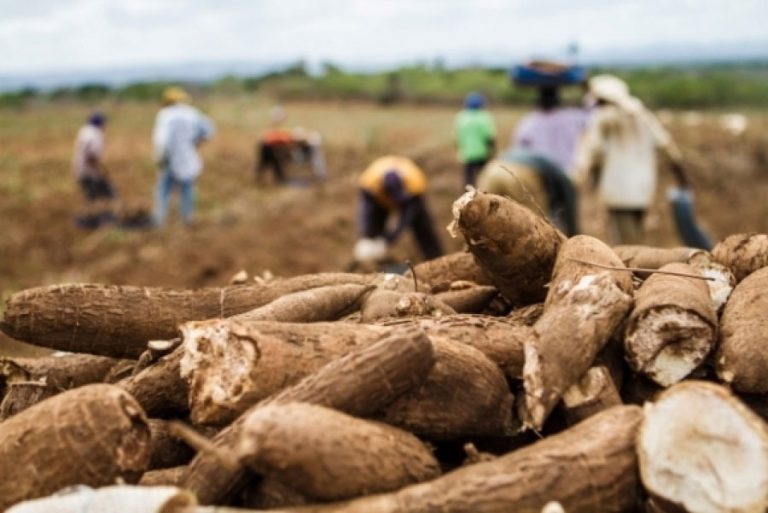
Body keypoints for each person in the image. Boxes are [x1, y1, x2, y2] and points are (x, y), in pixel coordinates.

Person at [574, 74, 689, 245]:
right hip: (643, 187)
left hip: (617, 190)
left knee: (625, 244)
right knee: (637, 235)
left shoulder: (604, 119)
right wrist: (681, 178)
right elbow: (667, 146)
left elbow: (594, 151)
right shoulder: (642, 115)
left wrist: (585, 178)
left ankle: (631, 271)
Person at [356, 155, 444, 262]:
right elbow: (366, 214)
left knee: (422, 227)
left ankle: (436, 258)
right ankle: (372, 262)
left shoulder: (415, 182)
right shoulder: (370, 183)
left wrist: (393, 237)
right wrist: (368, 234)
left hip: (409, 197)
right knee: (372, 227)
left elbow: (407, 218)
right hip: (378, 198)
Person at [477, 147, 579, 236]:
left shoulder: (536, 158)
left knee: (482, 218)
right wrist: (573, 232)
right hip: (518, 173)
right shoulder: (566, 181)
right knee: (537, 226)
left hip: (490, 171)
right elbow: (570, 204)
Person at [152, 86, 214, 226]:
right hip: (187, 156)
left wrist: (159, 158)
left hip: (169, 158)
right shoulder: (192, 113)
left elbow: (161, 140)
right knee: (187, 188)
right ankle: (187, 219)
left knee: (163, 189)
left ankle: (159, 220)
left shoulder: (165, 115)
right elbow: (209, 130)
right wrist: (195, 143)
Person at [255, 106, 327, 185]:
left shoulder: (282, 131)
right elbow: (270, 137)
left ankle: (266, 177)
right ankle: (271, 178)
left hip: (283, 152)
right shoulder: (273, 133)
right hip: (281, 152)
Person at [72, 111, 116, 227]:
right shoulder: (95, 134)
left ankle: (93, 219)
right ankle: (92, 220)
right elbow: (92, 156)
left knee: (92, 196)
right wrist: (102, 171)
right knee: (107, 194)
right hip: (90, 172)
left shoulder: (84, 131)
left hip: (80, 170)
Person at [454, 92, 496, 188]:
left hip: (466, 154)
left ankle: (467, 198)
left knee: (468, 179)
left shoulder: (461, 117)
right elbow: (490, 137)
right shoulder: (484, 117)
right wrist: (493, 152)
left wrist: (459, 149)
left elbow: (457, 138)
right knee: (484, 178)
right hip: (482, 153)